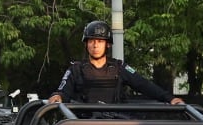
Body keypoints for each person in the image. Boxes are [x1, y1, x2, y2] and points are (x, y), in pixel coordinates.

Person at [49, 21, 184, 105]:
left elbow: (143, 84)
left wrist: (170, 98)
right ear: (86, 44)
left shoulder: (119, 67)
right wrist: (57, 96)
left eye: (100, 41)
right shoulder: (75, 69)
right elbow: (62, 91)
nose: (95, 45)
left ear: (107, 45)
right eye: (91, 41)